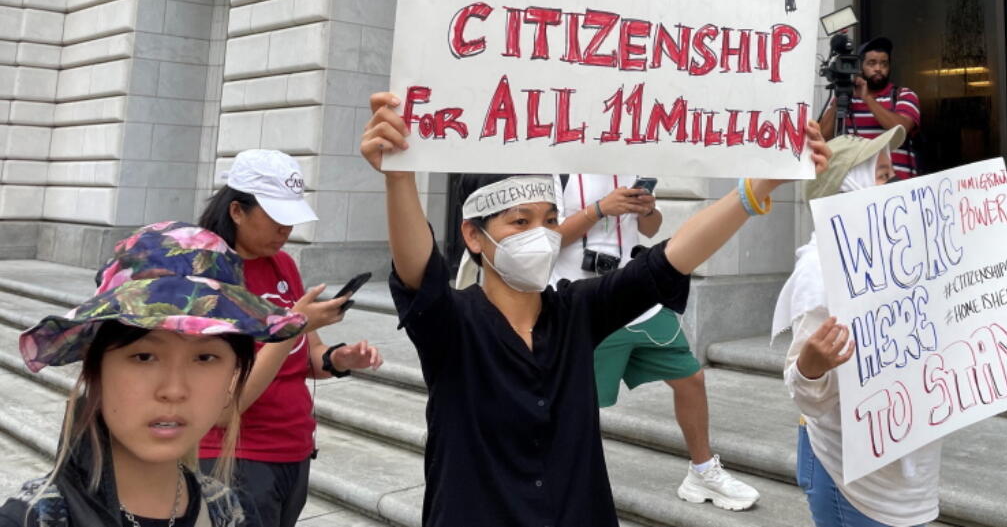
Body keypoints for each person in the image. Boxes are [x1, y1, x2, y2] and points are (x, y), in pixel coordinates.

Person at [359, 91, 831, 527]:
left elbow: (670, 257)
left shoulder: (575, 311)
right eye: (518, 222)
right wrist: (399, 179)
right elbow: (418, 268)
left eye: (548, 220)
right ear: (472, 236)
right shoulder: (452, 324)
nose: (538, 235)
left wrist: (763, 184)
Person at [775, 129, 1007, 527]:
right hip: (849, 476)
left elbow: (952, 332)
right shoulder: (820, 272)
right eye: (885, 176)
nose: (899, 183)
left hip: (909, 467)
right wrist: (812, 365)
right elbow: (806, 396)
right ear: (848, 189)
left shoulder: (914, 259)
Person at [0, 221, 307, 527]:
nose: (174, 390)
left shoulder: (229, 512)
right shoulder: (36, 518)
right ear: (96, 368)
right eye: (144, 356)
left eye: (205, 357)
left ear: (233, 374)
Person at [196, 149, 384, 527]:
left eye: (292, 219)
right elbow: (226, 406)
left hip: (293, 450)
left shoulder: (283, 265)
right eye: (277, 219)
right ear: (237, 211)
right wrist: (293, 325)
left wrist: (338, 359)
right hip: (235, 456)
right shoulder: (208, 276)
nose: (287, 231)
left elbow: (306, 356)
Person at [550, 173, 760, 511]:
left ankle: (703, 471)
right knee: (575, 402)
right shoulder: (556, 167)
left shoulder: (633, 160)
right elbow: (544, 241)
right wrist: (600, 209)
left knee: (691, 377)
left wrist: (647, 211)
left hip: (637, 294)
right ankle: (557, 485)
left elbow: (650, 228)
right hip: (580, 299)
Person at [818, 36, 921, 178]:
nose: (878, 68)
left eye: (884, 64)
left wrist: (867, 99)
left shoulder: (903, 95)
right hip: (857, 188)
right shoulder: (844, 99)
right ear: (860, 67)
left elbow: (900, 129)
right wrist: (840, 96)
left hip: (897, 187)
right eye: (872, 63)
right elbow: (822, 138)